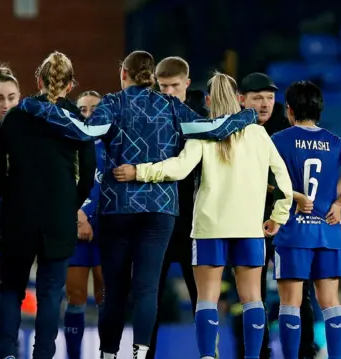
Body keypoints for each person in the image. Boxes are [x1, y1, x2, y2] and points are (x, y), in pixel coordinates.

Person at [21, 51, 257, 359]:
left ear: (124, 75)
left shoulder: (113, 104)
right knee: (147, 289)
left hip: (116, 208)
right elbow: (214, 128)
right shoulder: (173, 107)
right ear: (152, 78)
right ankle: (141, 353)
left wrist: (37, 107)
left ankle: (107, 354)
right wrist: (248, 115)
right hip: (159, 211)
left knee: (115, 291)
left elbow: (84, 132)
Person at [112, 71, 293, 359]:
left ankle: (208, 356)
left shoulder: (202, 132)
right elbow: (284, 181)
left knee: (207, 299)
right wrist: (278, 216)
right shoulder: (258, 134)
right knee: (252, 299)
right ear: (238, 100)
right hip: (249, 228)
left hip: (210, 226)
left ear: (208, 101)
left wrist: (139, 170)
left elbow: (178, 169)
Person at [0, 51, 96, 359]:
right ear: (71, 85)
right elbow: (88, 173)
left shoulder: (17, 115)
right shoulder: (75, 121)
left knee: (10, 289)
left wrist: (12, 198)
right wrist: (69, 204)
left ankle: (7, 354)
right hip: (58, 219)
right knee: (51, 295)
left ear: (37, 80)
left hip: (17, 217)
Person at [271, 81, 341, 359]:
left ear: (289, 110)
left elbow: (264, 180)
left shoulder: (278, 140)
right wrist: (339, 203)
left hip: (293, 232)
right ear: (319, 110)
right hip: (327, 231)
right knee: (330, 302)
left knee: (290, 303)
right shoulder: (333, 141)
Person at [235, 72, 318, 359]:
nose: (265, 104)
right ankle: (259, 352)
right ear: (240, 100)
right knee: (252, 293)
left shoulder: (287, 128)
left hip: (287, 223)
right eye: (257, 98)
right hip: (249, 221)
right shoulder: (235, 130)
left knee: (298, 292)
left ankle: (305, 351)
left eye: (270, 98)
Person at [148, 56, 206, 359]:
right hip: (158, 221)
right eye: (163, 86)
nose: (169, 91)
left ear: (186, 82)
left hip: (196, 223)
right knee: (150, 299)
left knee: (203, 299)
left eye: (174, 85)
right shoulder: (148, 117)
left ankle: (209, 353)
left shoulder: (204, 119)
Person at [64, 90, 106, 359]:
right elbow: (60, 186)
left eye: (94, 109)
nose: (88, 114)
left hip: (106, 231)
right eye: (82, 109)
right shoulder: (68, 147)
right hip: (75, 227)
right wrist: (79, 217)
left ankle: (107, 354)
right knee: (76, 295)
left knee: (106, 296)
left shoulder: (115, 146)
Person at [0, 65, 20, 356]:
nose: (6, 104)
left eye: (11, 97)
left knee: (8, 297)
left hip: (16, 227)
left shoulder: (28, 136)